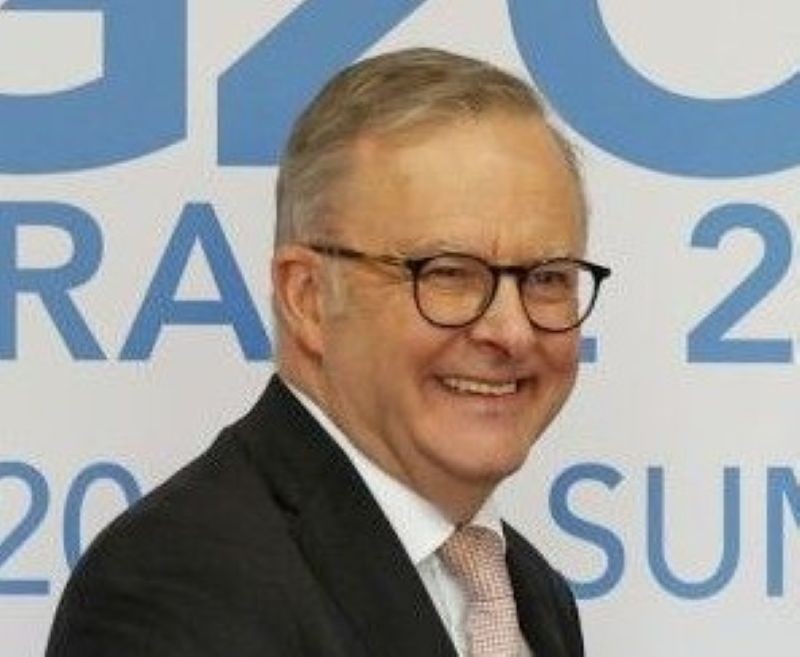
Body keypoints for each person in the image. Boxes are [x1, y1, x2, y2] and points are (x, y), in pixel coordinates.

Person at [47, 48, 610, 657]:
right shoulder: (174, 587)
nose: (512, 331)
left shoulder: (530, 593)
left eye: (547, 278)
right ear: (309, 298)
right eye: (449, 274)